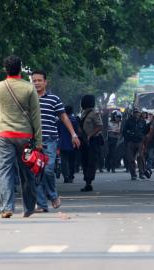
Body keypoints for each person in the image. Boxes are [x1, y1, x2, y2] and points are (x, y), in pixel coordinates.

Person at [0, 55, 42, 218]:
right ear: (20, 68)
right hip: (25, 135)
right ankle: (28, 207)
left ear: (5, 69)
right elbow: (36, 116)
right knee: (26, 172)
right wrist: (39, 141)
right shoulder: (29, 88)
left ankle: (7, 207)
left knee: (5, 170)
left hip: (5, 134)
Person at [31, 70, 80, 212]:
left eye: (39, 80)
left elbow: (64, 117)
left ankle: (53, 195)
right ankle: (41, 204)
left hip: (50, 140)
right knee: (36, 172)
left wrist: (73, 134)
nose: (37, 83)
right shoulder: (28, 99)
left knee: (48, 170)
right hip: (32, 141)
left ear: (45, 82)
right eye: (34, 80)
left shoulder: (54, 99)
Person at [79, 95, 103, 192]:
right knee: (84, 161)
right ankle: (87, 181)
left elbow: (99, 126)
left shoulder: (94, 113)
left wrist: (90, 135)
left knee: (91, 162)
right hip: (84, 140)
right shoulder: (83, 113)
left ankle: (89, 182)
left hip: (93, 140)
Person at [123, 109, 147, 180]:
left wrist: (143, 140)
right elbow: (124, 131)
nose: (136, 114)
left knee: (141, 158)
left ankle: (141, 173)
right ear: (133, 113)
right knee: (131, 159)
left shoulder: (143, 121)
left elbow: (145, 132)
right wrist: (128, 139)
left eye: (138, 112)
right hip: (131, 142)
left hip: (140, 142)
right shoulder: (128, 121)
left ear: (140, 113)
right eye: (135, 113)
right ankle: (133, 174)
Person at [58, 106, 79, 183]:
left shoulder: (60, 120)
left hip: (63, 142)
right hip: (72, 142)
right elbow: (76, 131)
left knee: (64, 160)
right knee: (72, 160)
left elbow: (58, 131)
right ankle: (71, 176)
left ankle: (65, 176)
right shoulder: (74, 120)